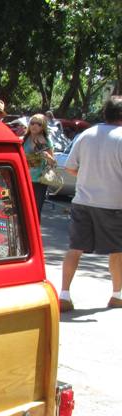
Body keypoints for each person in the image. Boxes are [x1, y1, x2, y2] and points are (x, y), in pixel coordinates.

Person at [59, 96, 122, 311]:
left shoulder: (86, 134)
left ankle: (64, 295)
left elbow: (70, 167)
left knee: (75, 248)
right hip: (114, 203)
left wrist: (89, 175)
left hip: (83, 201)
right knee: (118, 251)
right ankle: (116, 295)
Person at [23, 113, 56, 222]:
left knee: (35, 211)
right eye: (32, 123)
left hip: (39, 181)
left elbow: (53, 163)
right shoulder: (24, 138)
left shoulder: (45, 140)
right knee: (22, 210)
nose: (34, 126)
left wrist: (47, 156)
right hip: (24, 179)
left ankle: (33, 236)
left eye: (39, 124)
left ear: (43, 127)